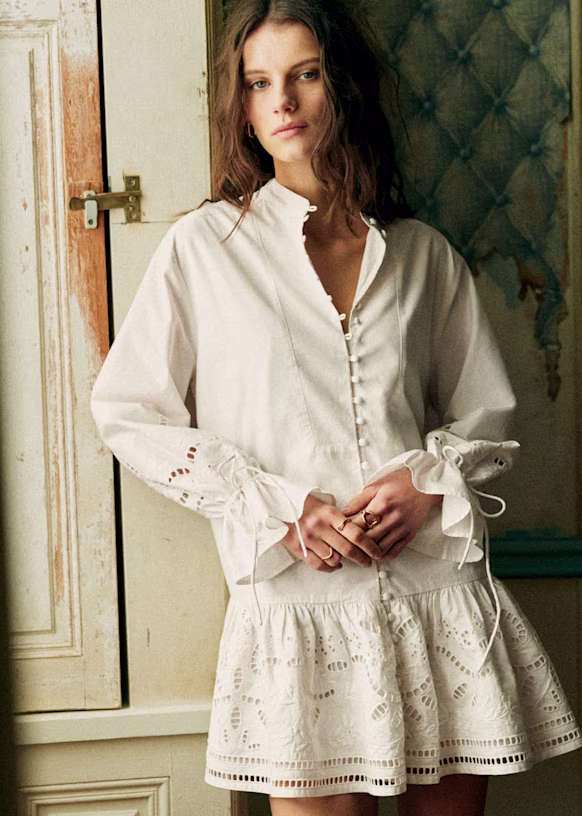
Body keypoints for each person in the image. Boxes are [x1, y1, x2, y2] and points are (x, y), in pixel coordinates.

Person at [91, 0, 582, 814]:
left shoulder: (422, 254)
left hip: (437, 597)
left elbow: (490, 412)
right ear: (242, 107)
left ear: (342, 86)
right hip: (297, 608)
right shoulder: (204, 251)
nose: (281, 100)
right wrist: (276, 507)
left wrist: (427, 482)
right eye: (258, 83)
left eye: (305, 74)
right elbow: (128, 411)